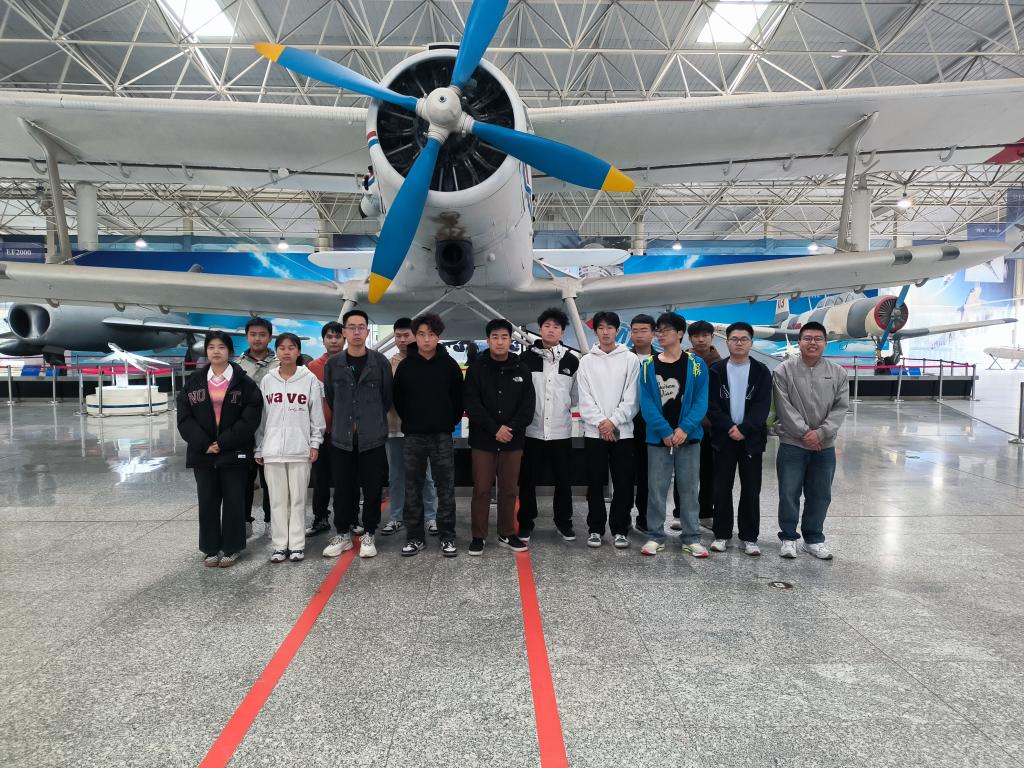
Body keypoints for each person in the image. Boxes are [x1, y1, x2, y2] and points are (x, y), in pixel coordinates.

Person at [177, 332, 262, 568]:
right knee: (207, 502)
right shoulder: (194, 381)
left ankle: (232, 547)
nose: (216, 351)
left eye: (221, 347)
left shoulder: (244, 383)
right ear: (206, 351)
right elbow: (184, 417)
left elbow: (250, 418)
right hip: (203, 454)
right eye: (211, 347)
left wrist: (222, 443)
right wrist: (204, 443)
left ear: (230, 351)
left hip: (233, 453)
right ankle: (210, 548)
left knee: (235, 502)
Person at [773, 321, 849, 560]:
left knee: (820, 494)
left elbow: (841, 408)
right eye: (807, 338)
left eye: (818, 339)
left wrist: (821, 433)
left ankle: (814, 539)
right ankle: (788, 537)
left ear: (825, 343)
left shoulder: (838, 372)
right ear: (799, 342)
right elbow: (783, 407)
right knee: (789, 492)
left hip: (824, 446)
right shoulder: (783, 370)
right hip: (792, 444)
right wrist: (805, 433)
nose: (812, 343)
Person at [322, 310, 392, 559]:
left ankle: (369, 533)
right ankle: (342, 534)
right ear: (344, 332)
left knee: (372, 488)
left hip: (372, 438)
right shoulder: (333, 364)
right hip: (342, 438)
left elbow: (386, 399)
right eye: (351, 327)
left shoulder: (380, 362)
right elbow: (331, 397)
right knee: (342, 489)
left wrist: (367, 420)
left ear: (367, 331)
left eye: (361, 327)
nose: (356, 332)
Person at [638, 312, 709, 558]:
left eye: (666, 330)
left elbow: (701, 401)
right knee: (656, 489)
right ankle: (655, 536)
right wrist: (665, 430)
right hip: (658, 438)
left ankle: (691, 537)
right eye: (659, 330)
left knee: (688, 489)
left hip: (689, 437)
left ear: (680, 333)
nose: (661, 334)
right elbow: (646, 402)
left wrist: (684, 428)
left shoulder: (697, 365)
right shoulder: (648, 365)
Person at [393, 313, 464, 558]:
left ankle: (447, 536)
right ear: (415, 336)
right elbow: (399, 400)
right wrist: (413, 421)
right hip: (413, 436)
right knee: (412, 486)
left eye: (431, 334)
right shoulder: (405, 366)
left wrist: (446, 422)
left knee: (445, 487)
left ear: (438, 337)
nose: (426, 339)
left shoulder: (449, 365)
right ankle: (414, 537)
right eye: (421, 334)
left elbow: (458, 399)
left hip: (441, 435)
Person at [463, 318, 535, 556]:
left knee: (509, 489)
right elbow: (472, 404)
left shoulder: (522, 369)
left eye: (504, 337)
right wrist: (495, 429)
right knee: (481, 489)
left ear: (511, 341)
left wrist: (509, 428)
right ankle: (478, 536)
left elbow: (527, 406)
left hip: (512, 441)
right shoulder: (476, 369)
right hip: (483, 440)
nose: (500, 342)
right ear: (488, 340)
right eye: (495, 337)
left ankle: (507, 532)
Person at [255, 333, 326, 563]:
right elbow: (262, 418)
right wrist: (259, 447)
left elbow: (317, 416)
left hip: (300, 449)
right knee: (277, 501)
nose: (286, 352)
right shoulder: (268, 380)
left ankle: (296, 545)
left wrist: (315, 443)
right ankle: (279, 546)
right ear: (276, 351)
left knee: (298, 499)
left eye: (291, 347)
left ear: (298, 351)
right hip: (272, 450)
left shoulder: (309, 379)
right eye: (282, 348)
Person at [706, 322, 772, 556]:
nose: (739, 343)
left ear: (751, 343)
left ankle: (749, 537)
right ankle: (721, 534)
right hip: (723, 438)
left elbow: (763, 405)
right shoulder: (716, 370)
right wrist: (729, 427)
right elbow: (711, 405)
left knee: (751, 489)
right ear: (727, 342)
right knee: (721, 488)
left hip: (751, 439)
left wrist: (744, 428)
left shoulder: (761, 371)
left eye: (744, 339)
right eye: (734, 339)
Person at [577, 311, 640, 549]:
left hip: (623, 433)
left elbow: (632, 397)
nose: (605, 332)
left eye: (610, 327)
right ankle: (595, 528)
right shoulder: (586, 361)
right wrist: (601, 423)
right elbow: (584, 398)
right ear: (595, 331)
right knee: (594, 482)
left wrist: (613, 422)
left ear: (617, 330)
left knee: (623, 483)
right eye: (601, 328)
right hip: (595, 433)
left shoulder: (630, 359)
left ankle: (620, 529)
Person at [518, 307, 580, 542]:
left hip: (560, 431)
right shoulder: (525, 359)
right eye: (547, 326)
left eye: (556, 326)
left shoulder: (572, 361)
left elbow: (575, 397)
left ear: (562, 332)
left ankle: (564, 522)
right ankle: (526, 522)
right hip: (531, 430)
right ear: (540, 329)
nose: (551, 330)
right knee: (527, 480)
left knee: (563, 479)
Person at [382, 317, 438, 537]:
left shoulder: (426, 360)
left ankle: (430, 517)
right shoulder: (388, 364)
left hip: (421, 431)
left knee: (426, 476)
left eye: (407, 335)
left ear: (415, 336)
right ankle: (397, 517)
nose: (402, 340)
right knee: (396, 476)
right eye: (398, 336)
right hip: (394, 428)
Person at [237, 317, 279, 538]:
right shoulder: (237, 366)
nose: (257, 339)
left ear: (270, 337)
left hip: (272, 429)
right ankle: (245, 521)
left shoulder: (279, 363)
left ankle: (271, 521)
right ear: (247, 337)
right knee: (245, 480)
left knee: (270, 480)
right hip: (245, 431)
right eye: (253, 334)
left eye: (262, 334)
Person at [305, 321, 344, 537]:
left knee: (345, 479)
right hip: (319, 434)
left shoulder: (351, 362)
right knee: (319, 480)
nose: (334, 340)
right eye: (330, 336)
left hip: (344, 433)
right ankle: (320, 519)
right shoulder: (313, 367)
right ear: (323, 340)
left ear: (344, 338)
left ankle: (348, 519)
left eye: (338, 336)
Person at [686, 319, 722, 532]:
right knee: (684, 472)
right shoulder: (683, 361)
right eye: (696, 336)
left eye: (705, 335)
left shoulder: (720, 364)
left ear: (712, 337)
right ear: (689, 338)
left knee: (709, 472)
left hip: (711, 428)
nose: (700, 339)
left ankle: (706, 512)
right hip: (686, 427)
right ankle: (681, 513)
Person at [629, 313, 656, 535]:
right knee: (626, 475)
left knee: (649, 476)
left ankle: (645, 517)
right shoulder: (623, 358)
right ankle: (621, 518)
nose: (639, 335)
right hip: (626, 425)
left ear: (653, 333)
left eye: (644, 330)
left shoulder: (662, 359)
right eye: (635, 331)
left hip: (653, 426)